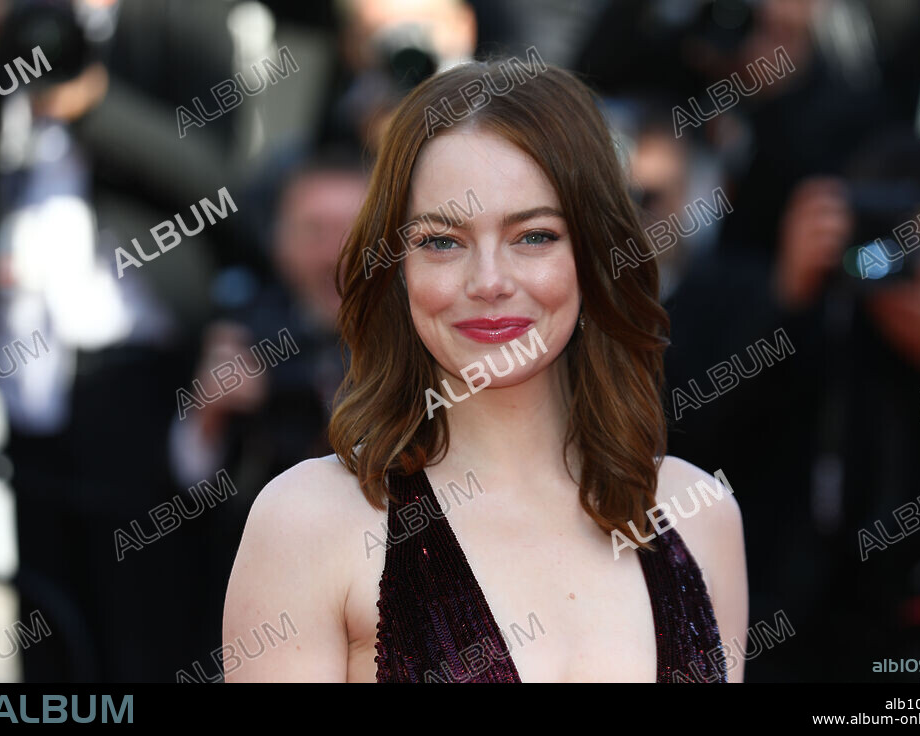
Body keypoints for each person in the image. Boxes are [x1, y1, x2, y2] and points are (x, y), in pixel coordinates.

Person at [223, 59, 747, 683]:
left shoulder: (699, 515)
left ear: (594, 252)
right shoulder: (310, 522)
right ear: (397, 268)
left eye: (534, 236)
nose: (489, 282)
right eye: (443, 241)